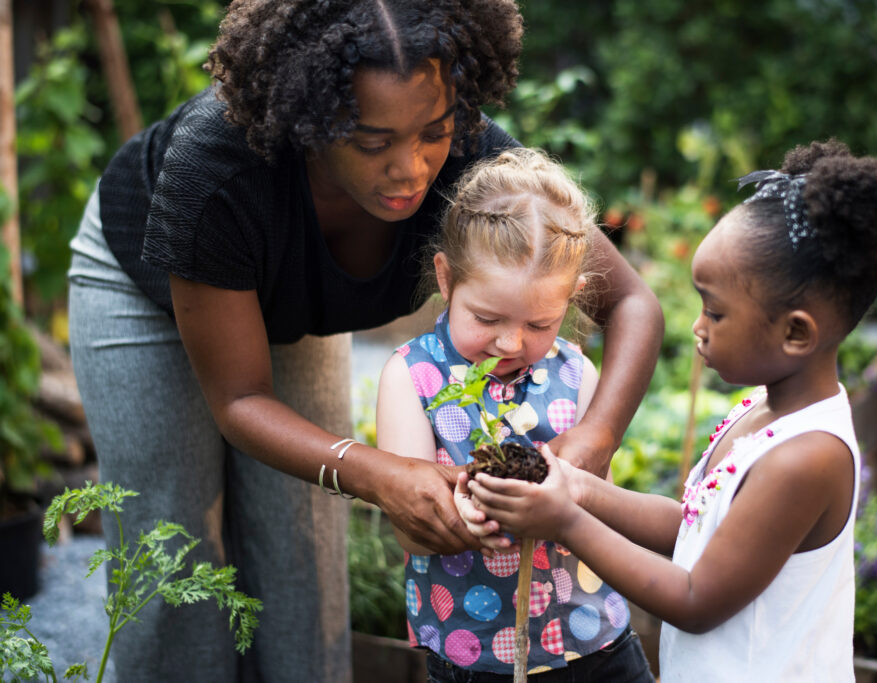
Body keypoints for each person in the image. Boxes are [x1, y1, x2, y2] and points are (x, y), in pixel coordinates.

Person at [65, 1, 664, 681]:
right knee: (169, 550)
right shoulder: (215, 168)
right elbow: (239, 400)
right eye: (373, 142)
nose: (412, 169)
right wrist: (380, 472)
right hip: (142, 291)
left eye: (431, 132)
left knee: (304, 556)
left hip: (292, 308)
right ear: (308, 123)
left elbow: (635, 304)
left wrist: (590, 444)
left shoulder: (471, 160)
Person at [460, 140, 877, 681]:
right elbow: (692, 529)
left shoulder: (805, 458)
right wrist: (579, 489)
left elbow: (696, 599)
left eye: (715, 312)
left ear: (796, 332)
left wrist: (567, 522)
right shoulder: (763, 410)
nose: (697, 326)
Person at [376, 148, 656, 682]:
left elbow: (602, 503)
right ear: (446, 278)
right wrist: (465, 515)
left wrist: (569, 499)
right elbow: (410, 529)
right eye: (486, 318)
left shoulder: (576, 375)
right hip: (476, 652)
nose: (509, 342)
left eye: (541, 323)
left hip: (594, 640)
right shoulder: (412, 377)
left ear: (572, 299)